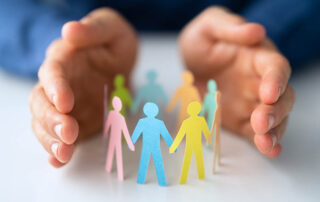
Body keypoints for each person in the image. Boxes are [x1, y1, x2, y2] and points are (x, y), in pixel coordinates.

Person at [11, 0, 317, 167]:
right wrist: (58, 44)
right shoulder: (121, 115)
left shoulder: (181, 108)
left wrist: (259, 37)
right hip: (89, 40)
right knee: (147, 162)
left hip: (234, 34)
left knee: (176, 162)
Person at [131, 102, 174, 186]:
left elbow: (166, 135)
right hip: (153, 146)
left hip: (151, 146)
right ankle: (160, 182)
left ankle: (142, 180)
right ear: (156, 111)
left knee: (147, 162)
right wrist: (172, 146)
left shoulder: (143, 122)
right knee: (156, 162)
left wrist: (131, 143)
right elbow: (166, 135)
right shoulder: (158, 123)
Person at [170, 101, 210, 184]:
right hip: (194, 145)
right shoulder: (200, 120)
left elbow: (180, 136)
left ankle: (187, 178)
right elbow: (206, 132)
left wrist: (174, 146)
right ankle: (194, 177)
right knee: (197, 160)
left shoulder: (188, 122)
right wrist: (209, 140)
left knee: (188, 161)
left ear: (189, 111)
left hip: (192, 145)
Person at [104, 96, 135, 181]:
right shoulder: (118, 116)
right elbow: (108, 125)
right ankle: (110, 168)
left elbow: (124, 131)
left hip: (115, 139)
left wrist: (129, 143)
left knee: (116, 154)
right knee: (114, 154)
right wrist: (105, 133)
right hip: (114, 138)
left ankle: (118, 173)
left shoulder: (117, 116)